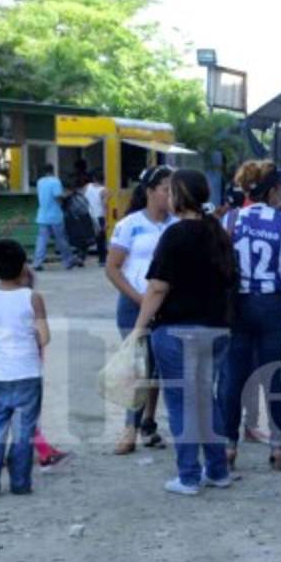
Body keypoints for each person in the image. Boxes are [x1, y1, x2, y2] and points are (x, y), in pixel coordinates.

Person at [131, 169, 237, 496]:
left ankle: (188, 475)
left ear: (179, 196)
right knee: (207, 399)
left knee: (181, 404)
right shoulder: (217, 232)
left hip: (178, 330)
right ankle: (218, 469)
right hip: (216, 329)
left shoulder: (175, 235)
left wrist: (139, 326)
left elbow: (158, 287)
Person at [220, 160, 281, 471]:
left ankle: (229, 447)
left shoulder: (231, 220)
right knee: (271, 375)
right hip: (274, 304)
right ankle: (277, 446)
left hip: (238, 304)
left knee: (233, 377)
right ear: (274, 189)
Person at [0, 239, 49, 497]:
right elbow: (44, 337)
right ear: (24, 267)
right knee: (24, 432)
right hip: (28, 374)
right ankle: (20, 484)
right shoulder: (33, 298)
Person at [105, 166, 175, 454]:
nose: (170, 195)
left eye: (173, 190)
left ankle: (148, 423)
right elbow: (112, 268)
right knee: (138, 367)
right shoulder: (130, 225)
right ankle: (129, 428)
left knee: (157, 367)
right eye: (165, 189)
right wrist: (138, 298)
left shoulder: (176, 225)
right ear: (150, 191)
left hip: (168, 305)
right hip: (134, 304)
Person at [32, 164, 75, 271]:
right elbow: (58, 197)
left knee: (41, 239)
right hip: (55, 215)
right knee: (61, 239)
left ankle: (37, 262)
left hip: (42, 215)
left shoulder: (40, 182)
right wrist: (68, 194)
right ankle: (68, 261)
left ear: (44, 171)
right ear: (53, 170)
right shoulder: (55, 181)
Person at [83, 169, 108, 267]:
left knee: (86, 236)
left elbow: (83, 199)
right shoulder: (104, 190)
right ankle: (102, 259)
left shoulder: (86, 187)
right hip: (99, 216)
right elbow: (105, 205)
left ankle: (81, 256)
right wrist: (106, 221)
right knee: (101, 239)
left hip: (88, 215)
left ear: (93, 178)